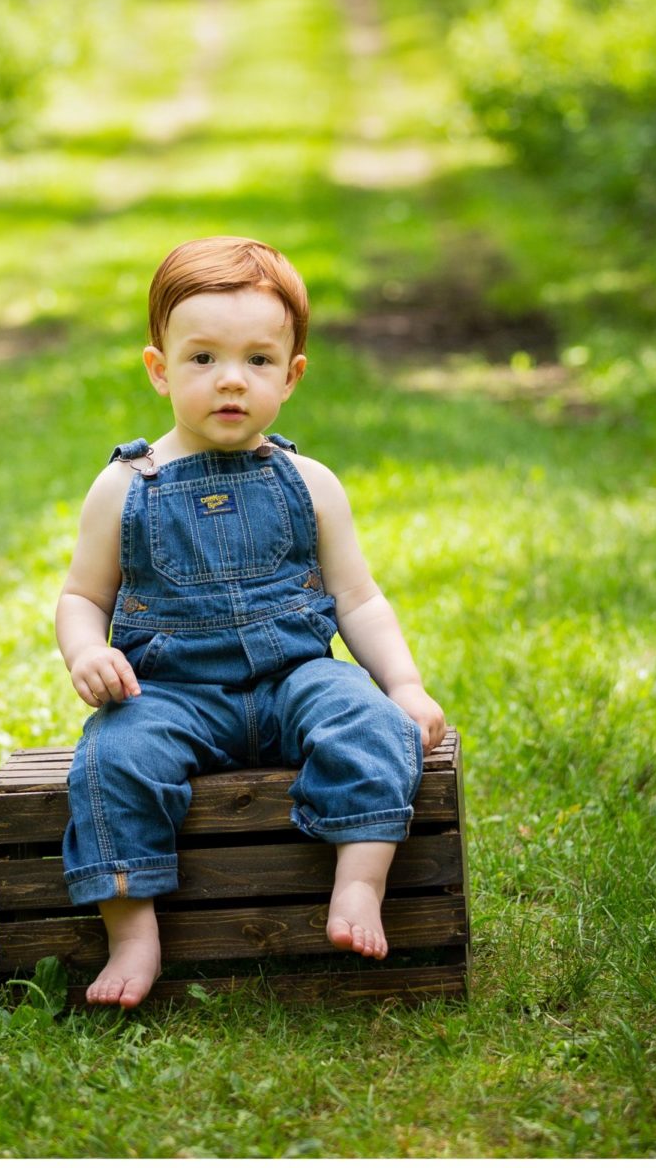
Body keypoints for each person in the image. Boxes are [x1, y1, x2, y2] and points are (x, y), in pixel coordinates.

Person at [54, 235, 447, 1009]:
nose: (231, 380)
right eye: (202, 359)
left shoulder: (311, 482)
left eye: (258, 362)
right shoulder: (125, 486)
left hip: (295, 677)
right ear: (159, 368)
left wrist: (403, 683)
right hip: (171, 693)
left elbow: (358, 599)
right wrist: (84, 653)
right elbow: (82, 597)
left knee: (371, 723)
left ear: (292, 376)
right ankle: (135, 933)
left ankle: (358, 886)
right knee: (109, 760)